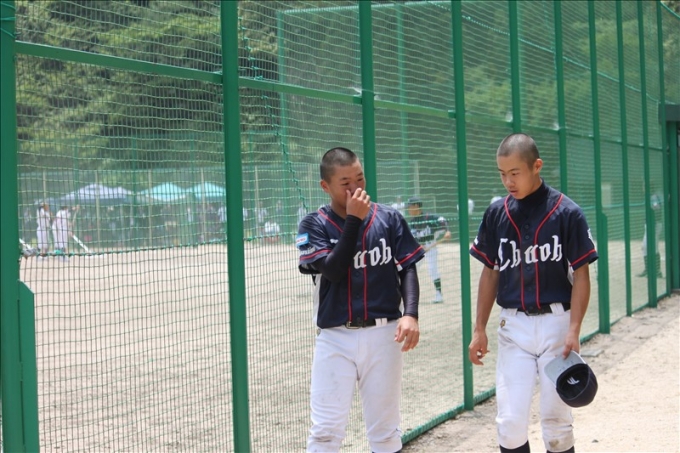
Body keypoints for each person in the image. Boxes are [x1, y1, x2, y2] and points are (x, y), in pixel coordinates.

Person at [468, 133, 598, 453]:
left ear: (536, 166)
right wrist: (479, 328)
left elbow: (581, 275)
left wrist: (574, 329)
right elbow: (490, 272)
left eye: (515, 172)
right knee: (509, 425)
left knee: (557, 426)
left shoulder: (567, 212)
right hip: (513, 327)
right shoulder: (496, 214)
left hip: (557, 325)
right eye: (502, 173)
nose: (508, 181)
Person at [296, 147, 425, 453]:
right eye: (345, 183)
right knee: (325, 431)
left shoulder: (389, 218)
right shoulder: (313, 225)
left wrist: (411, 313)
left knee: (385, 431)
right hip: (335, 337)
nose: (356, 188)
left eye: (360, 178)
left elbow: (407, 267)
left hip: (384, 333)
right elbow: (333, 270)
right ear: (325, 186)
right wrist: (354, 220)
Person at [406, 196, 451, 303]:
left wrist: (447, 230)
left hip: (431, 247)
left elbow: (442, 220)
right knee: (410, 269)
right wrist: (418, 246)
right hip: (419, 250)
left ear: (416, 206)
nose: (408, 209)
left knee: (432, 269)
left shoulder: (429, 217)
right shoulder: (412, 223)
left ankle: (439, 295)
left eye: (410, 206)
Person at [637, 188, 663, 278]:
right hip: (649, 224)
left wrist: (653, 222)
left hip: (654, 224)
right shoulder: (649, 197)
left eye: (644, 186)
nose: (643, 188)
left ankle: (657, 271)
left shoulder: (653, 197)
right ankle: (648, 269)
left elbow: (657, 209)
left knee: (653, 247)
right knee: (645, 247)